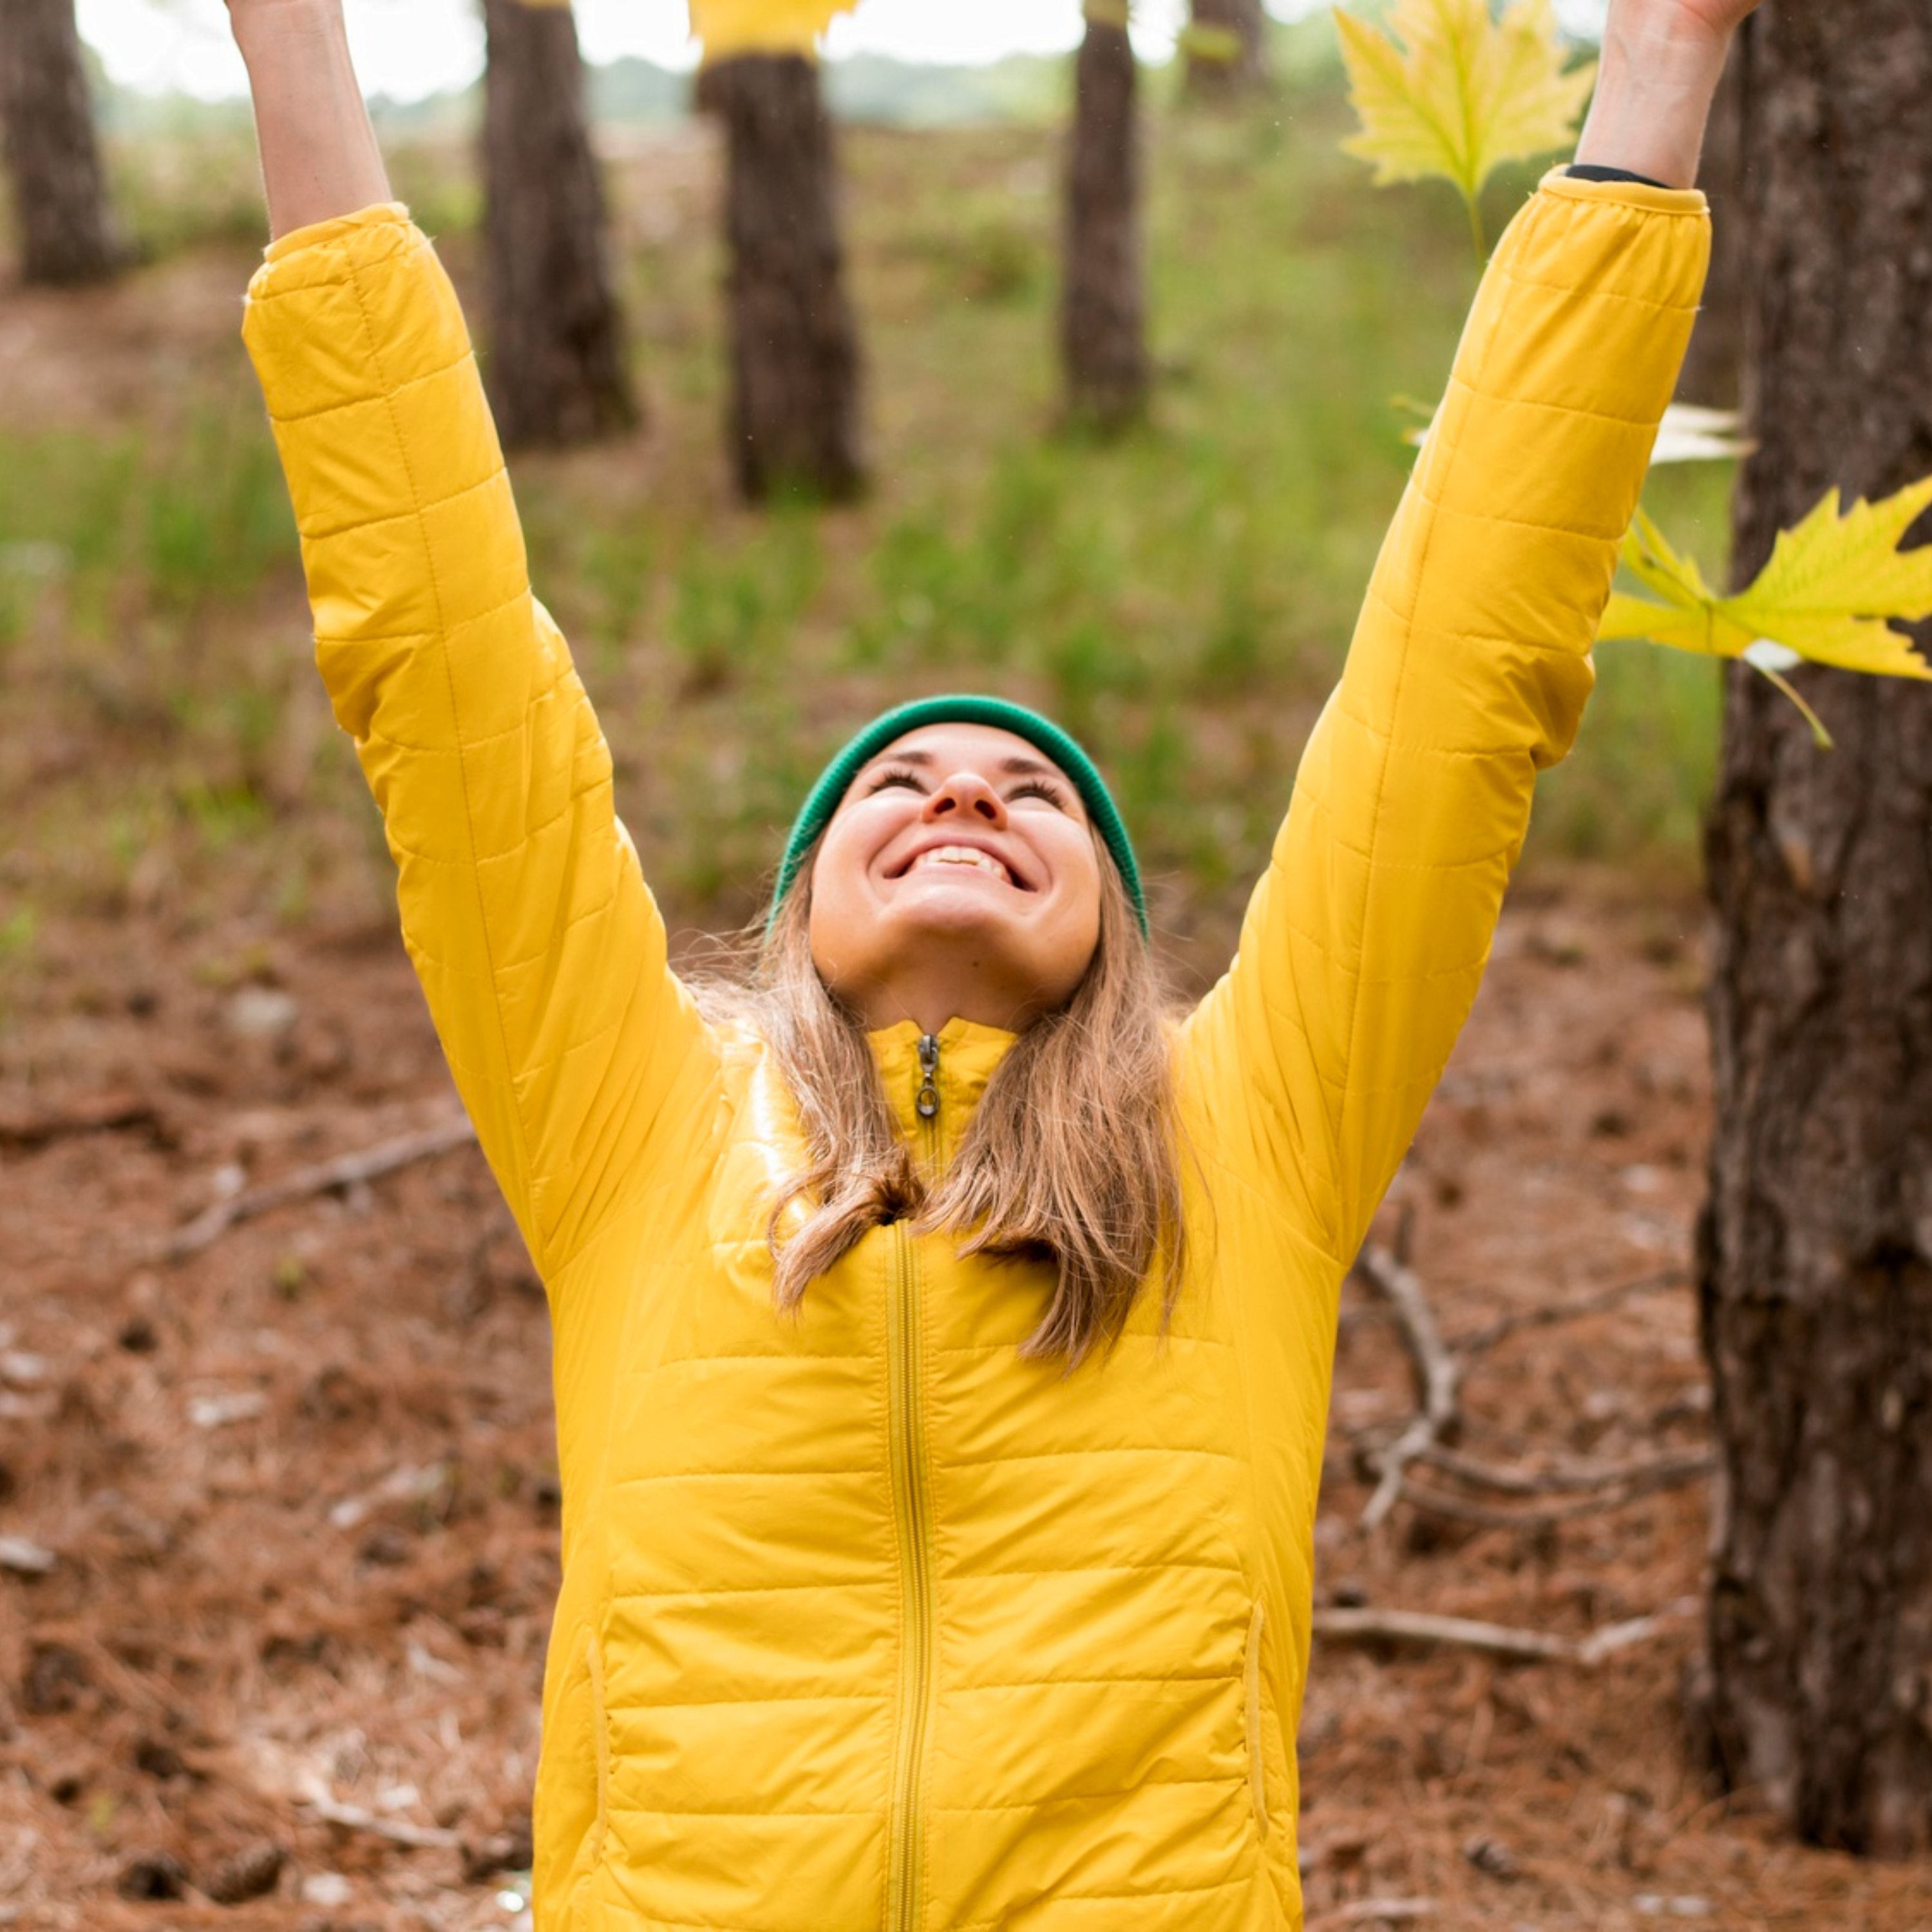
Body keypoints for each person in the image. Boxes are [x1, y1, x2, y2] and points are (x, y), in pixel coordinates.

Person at [227, 0, 1756, 1924]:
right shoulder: (637, 1130)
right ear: (799, 913)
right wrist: (288, 36)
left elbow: (1463, 671)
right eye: (903, 784)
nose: (966, 796)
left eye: (1034, 789)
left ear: (1112, 922)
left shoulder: (1245, 1142)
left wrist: (1665, 65)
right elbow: (440, 662)